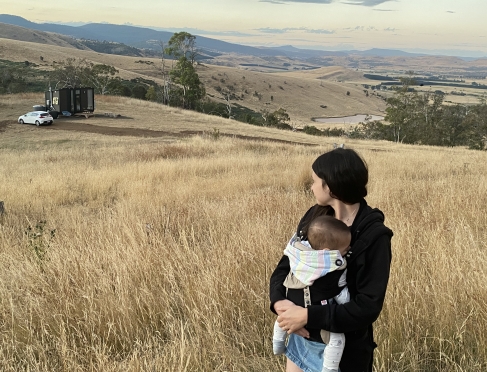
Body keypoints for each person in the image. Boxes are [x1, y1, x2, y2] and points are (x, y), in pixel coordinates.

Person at [269, 148, 393, 372]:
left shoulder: (374, 236)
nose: (311, 186)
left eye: (315, 181)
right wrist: (280, 303)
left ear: (330, 187)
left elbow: (368, 306)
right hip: (300, 338)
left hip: (343, 350)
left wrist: (307, 315)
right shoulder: (314, 216)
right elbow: (287, 264)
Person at [272, 215, 352, 372]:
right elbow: (341, 291)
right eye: (344, 250)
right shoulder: (335, 268)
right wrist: (347, 303)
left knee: (282, 320)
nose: (347, 251)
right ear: (328, 252)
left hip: (292, 307)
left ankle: (277, 344)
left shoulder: (298, 254)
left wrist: (278, 301)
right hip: (320, 320)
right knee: (337, 339)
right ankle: (329, 368)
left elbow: (282, 271)